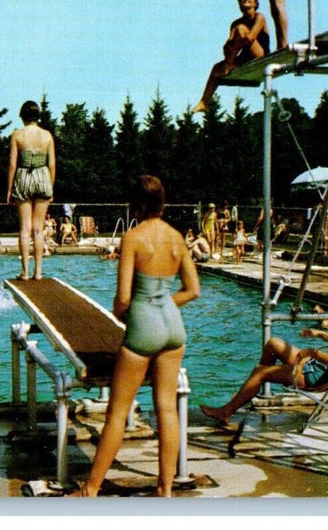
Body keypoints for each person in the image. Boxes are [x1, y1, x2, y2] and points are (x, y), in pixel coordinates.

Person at [70, 176, 200, 497]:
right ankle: (165, 489)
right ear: (162, 203)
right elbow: (193, 290)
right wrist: (164, 304)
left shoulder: (132, 238)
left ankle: (90, 490)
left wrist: (127, 313)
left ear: (137, 206)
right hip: (173, 325)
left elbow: (123, 299)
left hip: (144, 325)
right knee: (167, 409)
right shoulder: (176, 238)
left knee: (117, 413)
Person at [200, 294, 328, 426]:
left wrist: (312, 352)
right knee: (273, 344)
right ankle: (249, 390)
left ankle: (229, 408)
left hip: (313, 376)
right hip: (316, 368)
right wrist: (319, 333)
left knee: (260, 372)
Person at [192, 0, 269, 115]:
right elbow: (229, 44)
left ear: (255, 3)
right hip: (244, 56)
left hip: (260, 54)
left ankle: (229, 64)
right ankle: (204, 102)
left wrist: (229, 61)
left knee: (242, 30)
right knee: (216, 67)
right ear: (239, 4)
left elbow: (250, 38)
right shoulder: (235, 23)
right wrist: (227, 51)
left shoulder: (259, 17)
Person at [6, 100, 56, 281]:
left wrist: (9, 189)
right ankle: (38, 272)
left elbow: (12, 164)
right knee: (38, 229)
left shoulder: (17, 135)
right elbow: (51, 164)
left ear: (22, 116)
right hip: (43, 176)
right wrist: (50, 185)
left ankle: (25, 272)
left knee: (25, 228)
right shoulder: (47, 136)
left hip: (24, 176)